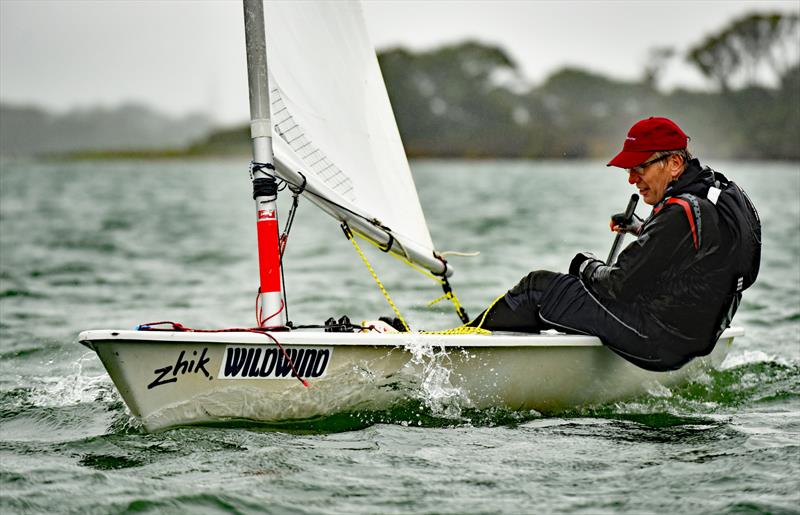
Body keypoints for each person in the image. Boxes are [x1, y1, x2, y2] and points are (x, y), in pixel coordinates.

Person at [468, 116, 743, 371]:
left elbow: (618, 285)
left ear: (673, 163)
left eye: (640, 168)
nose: (632, 179)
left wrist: (585, 265)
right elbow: (703, 253)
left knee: (536, 287)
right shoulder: (716, 195)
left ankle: (465, 344)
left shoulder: (679, 212)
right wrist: (642, 228)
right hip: (699, 336)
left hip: (660, 342)